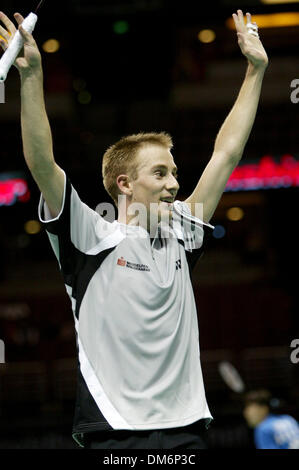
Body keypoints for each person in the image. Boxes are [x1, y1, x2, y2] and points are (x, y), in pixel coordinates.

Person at [0, 10, 268, 449]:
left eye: (175, 173)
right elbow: (42, 164)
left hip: (186, 431)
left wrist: (255, 71)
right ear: (124, 183)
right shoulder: (89, 236)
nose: (175, 184)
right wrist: (32, 79)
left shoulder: (184, 232)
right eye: (160, 173)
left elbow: (226, 153)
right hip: (113, 433)